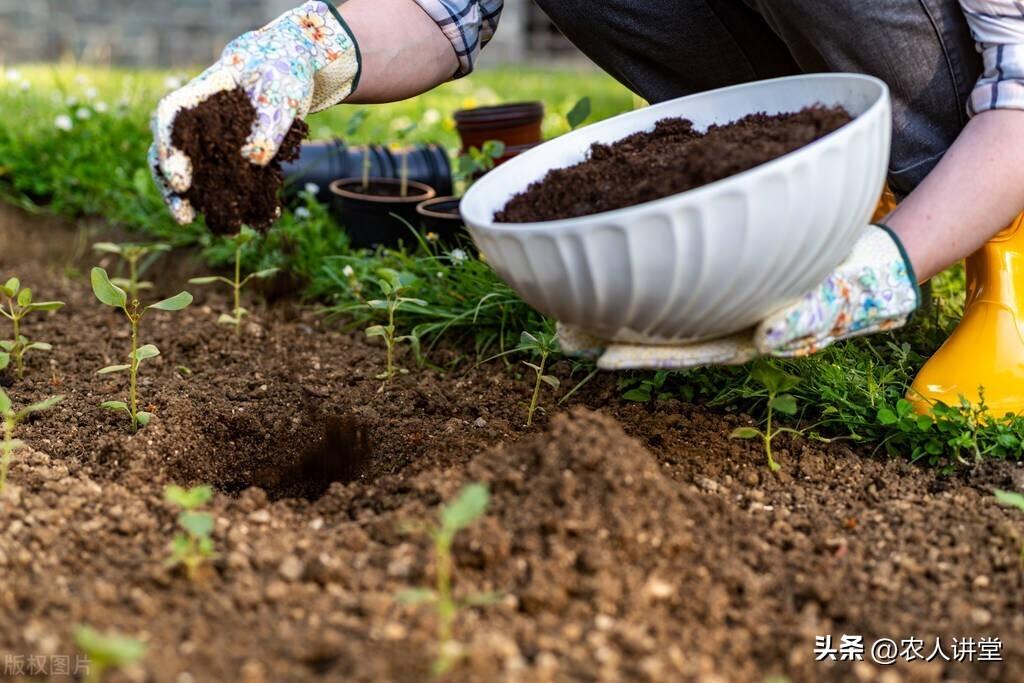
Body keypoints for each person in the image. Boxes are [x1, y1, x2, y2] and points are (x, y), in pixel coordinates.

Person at [150, 0, 1024, 413]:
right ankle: (821, 168)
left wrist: (888, 265)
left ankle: (988, 235)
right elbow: (448, 9)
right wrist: (301, 54)